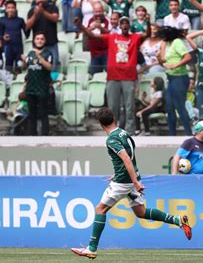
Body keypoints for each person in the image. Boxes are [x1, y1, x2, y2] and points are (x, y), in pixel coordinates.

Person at [71, 107, 192, 259]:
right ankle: (178, 220)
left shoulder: (111, 139)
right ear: (114, 118)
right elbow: (130, 156)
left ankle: (92, 248)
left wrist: (134, 182)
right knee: (141, 212)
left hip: (124, 182)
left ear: (100, 124)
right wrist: (125, 176)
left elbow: (126, 159)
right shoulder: (123, 132)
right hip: (129, 178)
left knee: (100, 209)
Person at [77, 16, 151, 135]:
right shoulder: (112, 37)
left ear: (129, 26)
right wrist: (81, 26)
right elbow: (92, 36)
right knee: (113, 107)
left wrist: (148, 21)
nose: (125, 25)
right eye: (122, 23)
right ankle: (113, 131)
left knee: (129, 106)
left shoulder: (135, 37)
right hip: (113, 76)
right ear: (120, 26)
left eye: (127, 23)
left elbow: (147, 34)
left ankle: (130, 131)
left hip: (129, 77)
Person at [158, 26, 193, 136]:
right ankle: (172, 134)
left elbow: (188, 57)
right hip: (171, 78)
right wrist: (160, 55)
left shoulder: (177, 42)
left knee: (180, 106)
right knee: (169, 107)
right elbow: (163, 62)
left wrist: (174, 65)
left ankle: (188, 133)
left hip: (180, 78)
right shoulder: (167, 44)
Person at [21, 32, 53, 136]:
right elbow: (24, 68)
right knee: (32, 114)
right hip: (30, 88)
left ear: (45, 41)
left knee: (43, 114)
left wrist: (39, 57)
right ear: (34, 41)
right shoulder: (30, 53)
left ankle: (45, 135)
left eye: (41, 39)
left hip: (42, 88)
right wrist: (23, 62)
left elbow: (49, 67)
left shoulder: (48, 53)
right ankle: (32, 136)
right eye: (37, 39)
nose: (39, 40)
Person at [26, 0, 59, 71]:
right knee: (37, 67)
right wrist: (35, 15)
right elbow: (27, 26)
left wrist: (43, 12)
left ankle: (52, 82)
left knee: (53, 67)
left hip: (51, 44)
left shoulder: (53, 7)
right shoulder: (32, 10)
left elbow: (55, 18)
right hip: (38, 46)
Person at [83, 1, 110, 76]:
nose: (98, 13)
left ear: (103, 11)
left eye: (99, 11)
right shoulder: (90, 21)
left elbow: (110, 34)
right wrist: (92, 27)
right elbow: (85, 33)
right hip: (94, 53)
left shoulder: (108, 20)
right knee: (94, 75)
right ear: (93, 11)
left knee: (109, 74)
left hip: (106, 53)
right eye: (96, 11)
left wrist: (100, 27)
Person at [0, 0, 27, 73]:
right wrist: (3, 37)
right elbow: (0, 34)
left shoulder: (20, 20)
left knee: (18, 67)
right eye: (8, 8)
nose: (10, 9)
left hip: (18, 47)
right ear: (6, 9)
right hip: (8, 47)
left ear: (15, 9)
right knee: (8, 68)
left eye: (12, 8)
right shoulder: (2, 20)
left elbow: (27, 33)